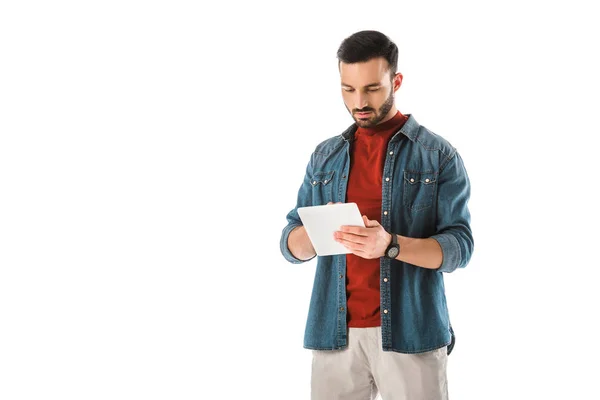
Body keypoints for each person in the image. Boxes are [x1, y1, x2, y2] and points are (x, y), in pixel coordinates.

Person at [279, 30, 474, 400]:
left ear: (396, 81)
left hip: (412, 334)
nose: (359, 101)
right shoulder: (325, 157)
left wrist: (391, 245)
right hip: (334, 336)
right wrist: (317, 233)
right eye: (348, 89)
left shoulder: (437, 155)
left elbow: (459, 247)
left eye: (371, 88)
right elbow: (290, 244)